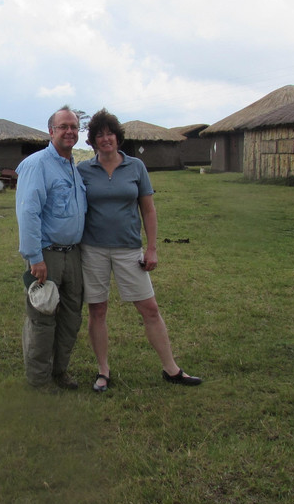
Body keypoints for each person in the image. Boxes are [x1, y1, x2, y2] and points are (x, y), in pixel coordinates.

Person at [77, 108, 202, 392]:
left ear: (118, 137)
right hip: (93, 249)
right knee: (97, 310)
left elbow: (148, 209)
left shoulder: (136, 167)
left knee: (150, 308)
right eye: (99, 135)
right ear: (93, 141)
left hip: (129, 248)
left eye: (110, 134)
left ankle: (171, 369)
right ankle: (103, 371)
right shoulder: (83, 170)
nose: (105, 139)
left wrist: (153, 249)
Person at [15, 105, 88, 390]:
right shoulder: (37, 164)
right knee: (43, 318)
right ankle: (39, 380)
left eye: (74, 127)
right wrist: (34, 257)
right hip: (46, 254)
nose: (70, 131)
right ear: (51, 131)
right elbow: (28, 213)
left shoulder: (72, 165)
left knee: (70, 316)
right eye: (63, 127)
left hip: (73, 254)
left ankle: (60, 371)